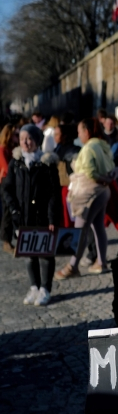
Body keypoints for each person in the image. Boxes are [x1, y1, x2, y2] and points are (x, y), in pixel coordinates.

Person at [3, 124, 61, 306]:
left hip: (42, 217)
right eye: (22, 139)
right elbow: (7, 188)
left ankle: (45, 288)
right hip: (23, 218)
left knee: (45, 253)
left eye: (29, 139)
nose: (25, 142)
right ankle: (34, 286)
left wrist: (52, 218)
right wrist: (13, 209)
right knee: (28, 254)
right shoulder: (16, 163)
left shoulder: (46, 163)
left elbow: (54, 193)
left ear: (37, 140)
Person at [54, 117, 115, 279]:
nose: (78, 135)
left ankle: (72, 266)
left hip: (88, 192)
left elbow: (89, 172)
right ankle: (101, 262)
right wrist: (105, 180)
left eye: (80, 131)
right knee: (98, 227)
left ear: (87, 132)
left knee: (80, 230)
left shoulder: (89, 148)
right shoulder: (103, 145)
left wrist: (100, 178)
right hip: (102, 191)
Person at [53, 124, 80, 227]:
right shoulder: (76, 148)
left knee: (68, 217)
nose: (55, 137)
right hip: (68, 187)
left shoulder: (61, 151)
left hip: (68, 187)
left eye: (57, 134)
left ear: (64, 135)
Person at [0, 123, 19, 253]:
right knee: (8, 211)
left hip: (14, 181)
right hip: (7, 182)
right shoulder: (2, 149)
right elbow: (6, 167)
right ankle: (6, 241)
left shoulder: (12, 148)